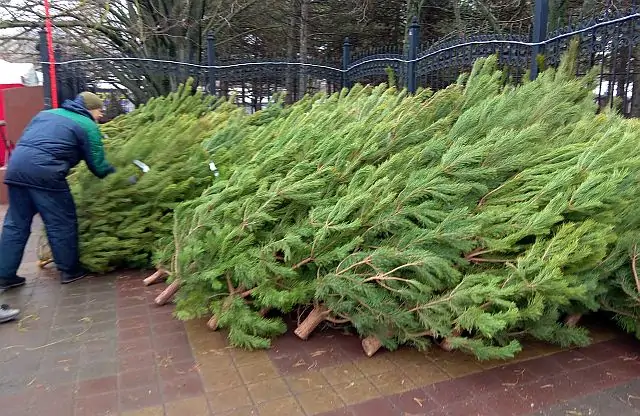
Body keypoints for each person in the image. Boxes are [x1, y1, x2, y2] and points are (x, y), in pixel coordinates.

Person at [0, 92, 115, 290]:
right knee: (61, 222)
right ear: (91, 109)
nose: (100, 115)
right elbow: (98, 166)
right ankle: (70, 271)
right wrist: (118, 173)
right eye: (99, 111)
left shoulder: (46, 114)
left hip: (16, 169)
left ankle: (4, 275)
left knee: (15, 224)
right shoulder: (87, 125)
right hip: (46, 174)